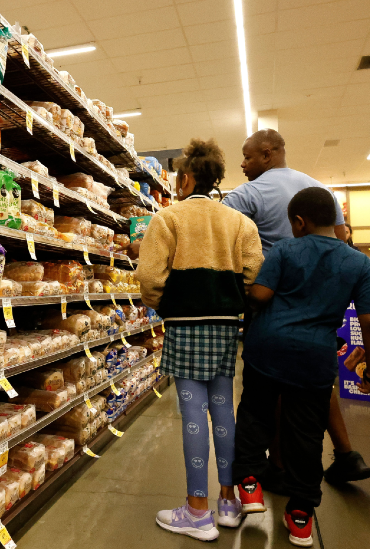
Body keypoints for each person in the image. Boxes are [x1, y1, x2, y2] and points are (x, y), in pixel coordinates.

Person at [234, 187, 370, 547]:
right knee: (305, 434)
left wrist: (243, 288)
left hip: (267, 350)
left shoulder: (286, 249)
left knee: (256, 415)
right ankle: (300, 516)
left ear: (299, 222)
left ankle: (251, 487)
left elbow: (260, 296)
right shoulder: (359, 262)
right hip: (314, 359)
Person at [223, 129, 370, 487]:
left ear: (269, 153)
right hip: (321, 302)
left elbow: (217, 229)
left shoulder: (249, 192)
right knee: (315, 383)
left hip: (271, 296)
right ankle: (346, 453)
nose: (242, 164)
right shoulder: (317, 190)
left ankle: (277, 465)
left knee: (272, 382)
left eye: (247, 156)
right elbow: (341, 240)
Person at [136, 138, 263, 541]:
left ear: (188, 177)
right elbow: (254, 273)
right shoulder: (241, 222)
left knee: (193, 414)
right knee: (223, 409)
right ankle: (227, 501)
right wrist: (233, 304)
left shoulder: (168, 219)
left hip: (185, 326)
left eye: (177, 178)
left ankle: (196, 511)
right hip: (225, 327)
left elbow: (150, 279)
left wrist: (166, 308)